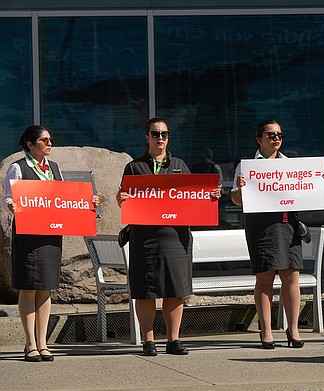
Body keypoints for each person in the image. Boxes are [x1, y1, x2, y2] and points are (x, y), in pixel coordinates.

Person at [116, 117, 221, 356]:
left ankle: (174, 339)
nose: (160, 138)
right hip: (145, 238)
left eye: (164, 134)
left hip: (176, 238)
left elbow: (194, 198)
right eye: (155, 133)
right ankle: (148, 340)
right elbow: (124, 199)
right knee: (145, 290)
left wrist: (211, 195)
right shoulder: (134, 167)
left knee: (175, 289)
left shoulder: (180, 165)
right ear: (147, 137)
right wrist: (120, 199)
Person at [2, 125, 100, 362]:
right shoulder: (19, 167)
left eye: (50, 140)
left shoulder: (54, 168)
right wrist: (10, 205)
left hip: (50, 233)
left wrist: (89, 202)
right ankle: (30, 344)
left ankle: (43, 343)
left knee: (45, 287)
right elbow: (8, 195)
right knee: (28, 286)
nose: (49, 144)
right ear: (30, 144)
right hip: (28, 233)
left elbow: (64, 197)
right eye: (44, 140)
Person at [231, 120, 324, 349]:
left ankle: (293, 329)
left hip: (288, 224)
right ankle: (266, 330)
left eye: (280, 134)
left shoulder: (290, 164)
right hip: (261, 226)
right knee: (265, 277)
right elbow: (236, 200)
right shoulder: (247, 166)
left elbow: (308, 190)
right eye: (271, 135)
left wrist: (321, 181)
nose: (276, 138)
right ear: (259, 139)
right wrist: (242, 188)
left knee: (291, 275)